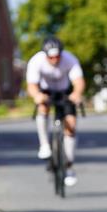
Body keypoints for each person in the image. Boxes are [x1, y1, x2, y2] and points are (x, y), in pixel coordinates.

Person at [25, 36, 85, 187]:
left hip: (65, 91)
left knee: (70, 125)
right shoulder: (36, 61)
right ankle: (44, 144)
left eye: (57, 56)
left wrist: (77, 94)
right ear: (45, 55)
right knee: (43, 106)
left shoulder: (69, 59)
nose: (54, 59)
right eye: (50, 57)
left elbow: (78, 81)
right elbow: (32, 85)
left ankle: (69, 166)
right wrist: (37, 95)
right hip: (46, 91)